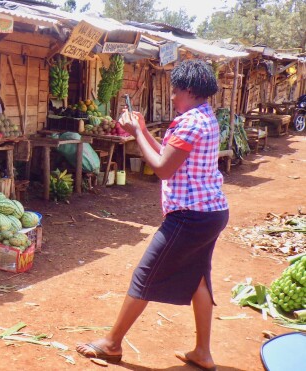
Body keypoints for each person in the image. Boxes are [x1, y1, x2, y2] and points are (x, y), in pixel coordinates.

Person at [75, 59, 229, 371]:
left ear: (188, 89)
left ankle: (112, 344)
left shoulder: (189, 123)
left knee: (145, 275)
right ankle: (203, 352)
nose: (171, 96)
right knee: (198, 279)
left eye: (174, 90)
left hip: (190, 216)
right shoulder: (203, 117)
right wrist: (142, 130)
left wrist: (134, 132)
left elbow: (161, 168)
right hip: (211, 212)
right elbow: (168, 155)